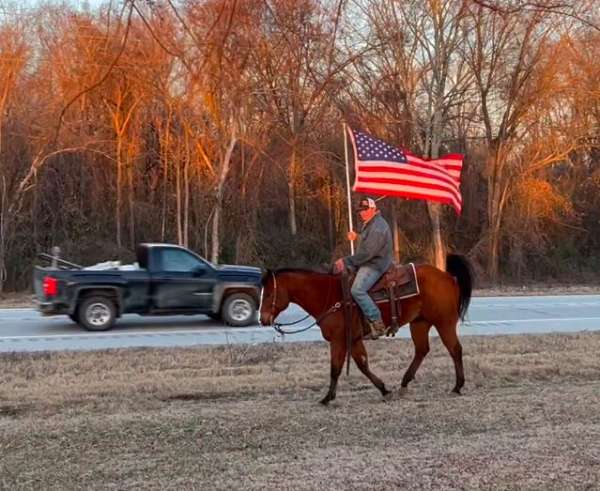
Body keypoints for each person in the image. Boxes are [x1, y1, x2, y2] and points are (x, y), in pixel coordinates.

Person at [334, 197, 393, 339]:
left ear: (373, 209)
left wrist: (346, 260)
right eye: (361, 210)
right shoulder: (371, 223)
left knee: (357, 290)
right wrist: (358, 237)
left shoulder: (378, 226)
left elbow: (369, 252)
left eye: (365, 210)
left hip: (375, 264)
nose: (362, 213)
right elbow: (368, 243)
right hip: (369, 261)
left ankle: (377, 323)